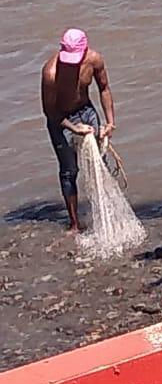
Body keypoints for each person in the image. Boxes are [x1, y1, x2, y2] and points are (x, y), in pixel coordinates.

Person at [41, 28, 116, 232]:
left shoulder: (94, 60)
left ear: (85, 51)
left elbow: (104, 88)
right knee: (69, 171)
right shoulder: (50, 73)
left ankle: (105, 211)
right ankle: (74, 223)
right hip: (62, 120)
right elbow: (50, 112)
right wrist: (74, 128)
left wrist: (109, 123)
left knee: (100, 163)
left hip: (86, 110)